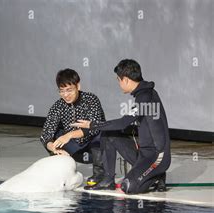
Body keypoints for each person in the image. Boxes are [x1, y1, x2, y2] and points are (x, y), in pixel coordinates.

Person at [72, 59, 170, 194]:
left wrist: (92, 124)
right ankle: (108, 179)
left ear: (126, 80)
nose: (119, 84)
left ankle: (157, 175)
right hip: (143, 155)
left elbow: (123, 122)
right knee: (108, 133)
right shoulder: (143, 94)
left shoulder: (145, 96)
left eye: (118, 80)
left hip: (157, 157)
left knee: (128, 186)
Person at [40, 69, 106, 185]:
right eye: (62, 91)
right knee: (54, 136)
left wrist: (69, 135)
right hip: (74, 149)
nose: (65, 95)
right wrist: (53, 148)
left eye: (69, 90)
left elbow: (94, 127)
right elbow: (46, 133)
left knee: (100, 131)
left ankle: (99, 173)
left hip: (93, 149)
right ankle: (60, 174)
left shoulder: (91, 100)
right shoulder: (58, 106)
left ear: (78, 86)